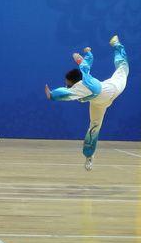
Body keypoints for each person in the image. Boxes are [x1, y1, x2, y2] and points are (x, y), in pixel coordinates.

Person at [46, 35, 130, 170]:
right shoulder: (81, 76)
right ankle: (89, 156)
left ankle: (116, 44)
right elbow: (87, 63)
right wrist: (87, 54)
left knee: (123, 68)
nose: (67, 85)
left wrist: (52, 95)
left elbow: (65, 93)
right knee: (94, 127)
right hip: (97, 104)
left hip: (112, 89)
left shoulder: (82, 87)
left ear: (75, 82)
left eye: (68, 83)